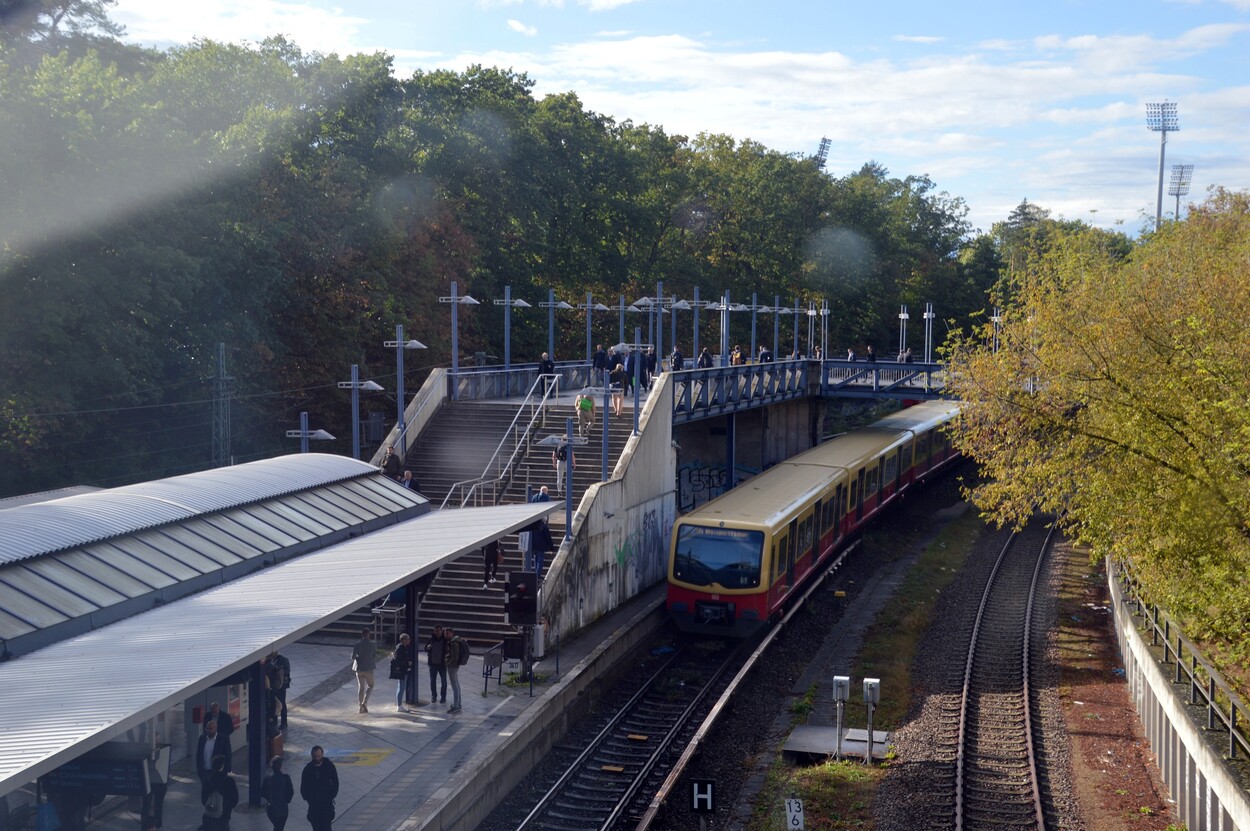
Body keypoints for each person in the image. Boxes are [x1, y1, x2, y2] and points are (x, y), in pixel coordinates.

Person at [300, 746, 339, 831]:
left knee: (327, 827)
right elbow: (303, 787)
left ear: (322, 755)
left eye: (319, 756)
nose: (317, 758)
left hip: (326, 805)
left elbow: (335, 782)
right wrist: (308, 799)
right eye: (315, 756)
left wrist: (332, 795)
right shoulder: (308, 769)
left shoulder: (329, 766)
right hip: (314, 806)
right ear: (312, 756)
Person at [195, 717, 231, 803]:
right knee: (206, 792)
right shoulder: (202, 739)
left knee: (217, 792)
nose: (208, 730)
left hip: (216, 772)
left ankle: (217, 808)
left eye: (210, 728)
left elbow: (228, 755)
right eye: (207, 728)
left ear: (215, 728)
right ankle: (208, 807)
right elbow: (198, 755)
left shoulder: (223, 739)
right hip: (204, 772)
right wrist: (199, 771)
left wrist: (226, 770)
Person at [201, 755, 238, 831]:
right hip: (224, 817)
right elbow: (234, 800)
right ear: (222, 767)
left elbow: (203, 800)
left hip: (209, 816)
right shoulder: (229, 781)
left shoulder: (207, 781)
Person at [260, 755, 294, 831]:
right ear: (280, 766)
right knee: (279, 827)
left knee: (277, 827)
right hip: (283, 809)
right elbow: (291, 792)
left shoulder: (268, 778)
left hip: (271, 809)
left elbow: (262, 792)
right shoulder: (286, 778)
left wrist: (269, 799)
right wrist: (286, 800)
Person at [350, 628, 376, 714]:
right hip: (368, 668)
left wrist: (358, 657)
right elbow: (374, 655)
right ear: (368, 634)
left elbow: (353, 657)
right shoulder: (373, 644)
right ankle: (364, 702)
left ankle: (360, 707)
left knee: (361, 687)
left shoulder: (357, 644)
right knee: (371, 685)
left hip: (359, 668)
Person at [444, 627, 465, 713]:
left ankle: (456, 705)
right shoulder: (456, 641)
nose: (446, 635)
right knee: (456, 684)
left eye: (447, 633)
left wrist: (449, 663)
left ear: (452, 633)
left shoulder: (453, 643)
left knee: (454, 686)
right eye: (445, 633)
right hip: (455, 665)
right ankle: (458, 704)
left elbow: (454, 656)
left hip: (453, 666)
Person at [391, 633, 414, 712]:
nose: (409, 641)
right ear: (403, 640)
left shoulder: (404, 647)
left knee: (401, 687)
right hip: (402, 670)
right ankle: (399, 705)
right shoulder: (400, 648)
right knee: (402, 687)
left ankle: (399, 704)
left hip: (404, 670)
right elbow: (398, 660)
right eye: (407, 639)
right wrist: (408, 663)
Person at [425, 625, 447, 704]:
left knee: (444, 681)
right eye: (435, 630)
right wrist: (428, 647)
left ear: (442, 631)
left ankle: (443, 697)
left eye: (438, 630)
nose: (437, 632)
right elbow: (425, 648)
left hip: (442, 664)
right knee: (432, 681)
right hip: (432, 664)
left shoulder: (445, 640)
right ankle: (434, 696)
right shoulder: (431, 639)